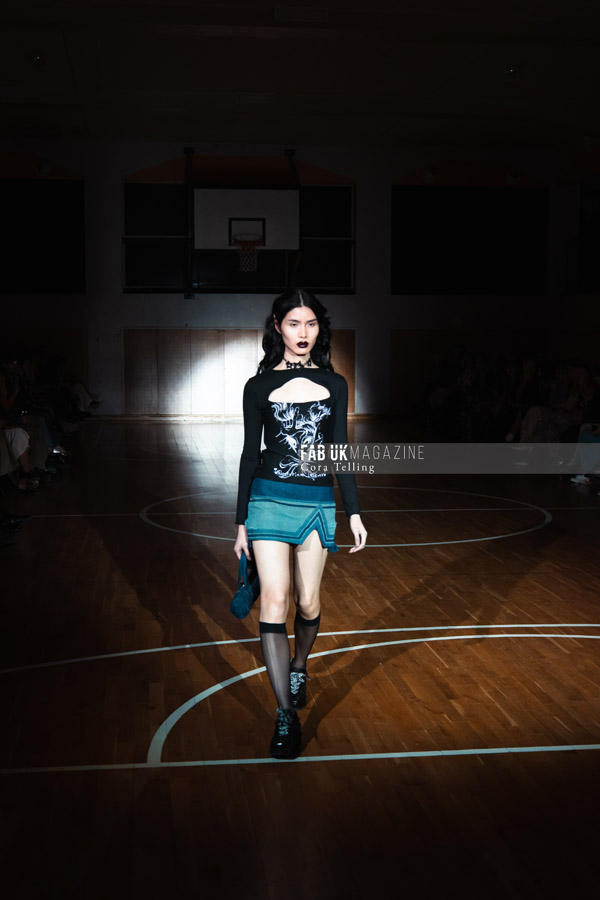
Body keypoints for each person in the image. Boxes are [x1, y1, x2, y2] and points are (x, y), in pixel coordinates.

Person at [234, 288, 367, 760]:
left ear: (319, 328)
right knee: (275, 599)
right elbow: (250, 455)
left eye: (311, 324)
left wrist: (354, 511)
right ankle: (285, 716)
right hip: (268, 500)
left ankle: (298, 665)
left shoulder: (335, 383)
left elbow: (340, 452)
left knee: (308, 601)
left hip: (315, 501)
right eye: (294, 323)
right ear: (278, 327)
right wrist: (240, 523)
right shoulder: (258, 386)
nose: (303, 332)